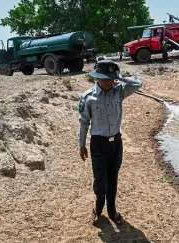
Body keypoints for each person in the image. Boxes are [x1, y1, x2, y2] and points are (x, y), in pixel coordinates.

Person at [78, 60, 142, 225]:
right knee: (100, 181)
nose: (108, 81)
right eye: (104, 77)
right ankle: (98, 210)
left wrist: (119, 76)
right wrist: (81, 145)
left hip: (116, 143)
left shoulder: (119, 91)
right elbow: (84, 122)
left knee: (113, 179)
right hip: (98, 144)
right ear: (96, 78)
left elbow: (137, 83)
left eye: (111, 78)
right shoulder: (87, 97)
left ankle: (112, 212)